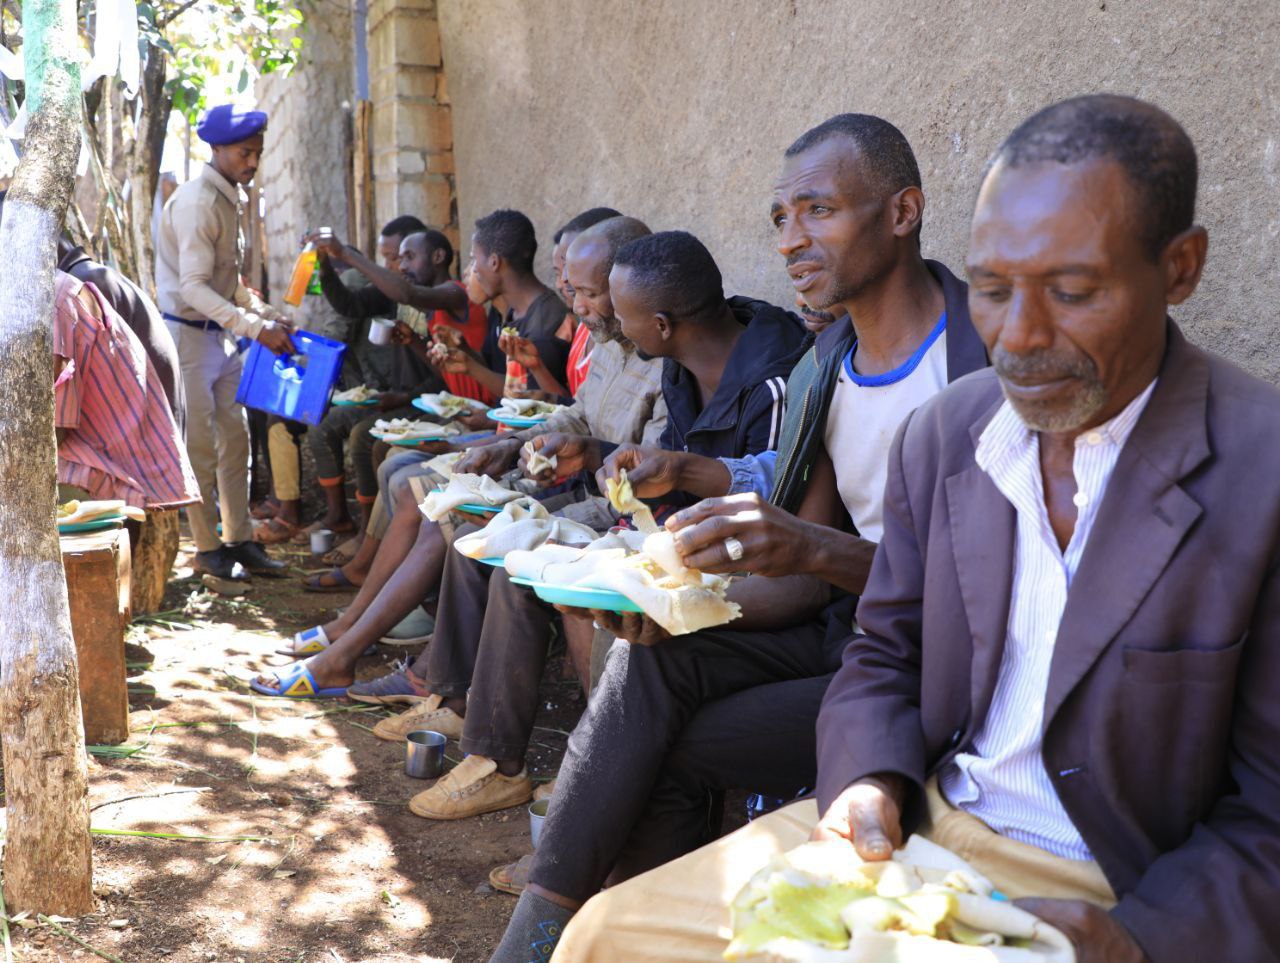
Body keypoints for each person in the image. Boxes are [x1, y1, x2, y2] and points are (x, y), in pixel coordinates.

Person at [551, 94, 1280, 963]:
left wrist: (1141, 939)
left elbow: (1268, 811)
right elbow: (887, 650)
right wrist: (865, 781)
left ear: (1180, 267)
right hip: (916, 828)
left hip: (1113, 884)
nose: (1019, 337)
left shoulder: (1257, 472)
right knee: (606, 937)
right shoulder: (949, 430)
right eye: (993, 289)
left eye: (1073, 291)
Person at [487, 114, 989, 960]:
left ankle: (585, 937)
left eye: (819, 211)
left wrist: (810, 549)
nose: (791, 240)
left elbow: (982, 595)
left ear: (903, 212)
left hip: (938, 676)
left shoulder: (983, 359)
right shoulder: (826, 368)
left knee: (651, 748)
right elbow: (803, 572)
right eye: (781, 218)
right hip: (850, 638)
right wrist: (669, 604)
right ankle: (539, 940)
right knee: (652, 660)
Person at [385, 228, 808, 826]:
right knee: (525, 566)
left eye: (614, 308)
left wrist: (645, 526)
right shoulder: (679, 364)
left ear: (660, 325)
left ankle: (595, 764)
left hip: (751, 564)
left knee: (592, 593)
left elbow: (778, 505)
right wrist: (597, 463)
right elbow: (666, 469)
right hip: (675, 529)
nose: (598, 322)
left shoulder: (774, 381)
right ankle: (495, 760)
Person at [251, 216, 666, 699]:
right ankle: (361, 643)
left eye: (587, 293)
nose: (576, 304)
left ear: (627, 286)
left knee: (459, 525)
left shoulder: (658, 361)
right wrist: (507, 447)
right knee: (438, 502)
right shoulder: (609, 342)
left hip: (603, 506)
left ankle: (394, 667)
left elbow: (641, 478)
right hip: (557, 473)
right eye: (571, 288)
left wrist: (547, 452)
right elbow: (577, 415)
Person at [154, 104, 292, 580]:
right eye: (243, 153)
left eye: (257, 153)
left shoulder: (231, 196)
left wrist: (266, 314)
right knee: (199, 449)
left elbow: (227, 284)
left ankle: (239, 539)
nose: (252, 162)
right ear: (216, 149)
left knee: (237, 442)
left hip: (221, 337)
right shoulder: (197, 203)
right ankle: (208, 548)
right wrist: (255, 328)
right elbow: (194, 288)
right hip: (187, 338)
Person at [301, 229, 460, 564]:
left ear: (437, 256)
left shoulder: (444, 299)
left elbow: (444, 378)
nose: (400, 266)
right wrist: (325, 265)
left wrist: (346, 254)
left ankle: (372, 538)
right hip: (400, 397)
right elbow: (348, 303)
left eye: (407, 257)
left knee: (365, 437)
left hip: (431, 401)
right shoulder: (395, 295)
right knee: (330, 426)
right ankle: (360, 529)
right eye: (395, 258)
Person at [53, 270, 199, 512]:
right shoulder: (64, 289)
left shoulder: (55, 302)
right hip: (125, 469)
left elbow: (51, 429)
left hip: (105, 476)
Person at [54, 234, 186, 431]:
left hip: (150, 432)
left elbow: (63, 419)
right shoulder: (91, 276)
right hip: (158, 428)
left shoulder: (76, 288)